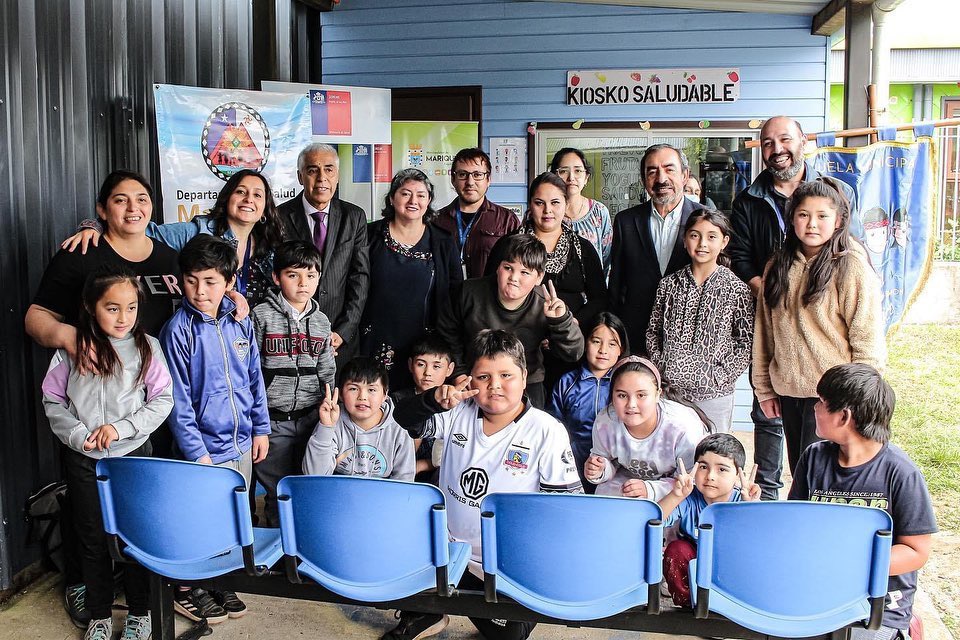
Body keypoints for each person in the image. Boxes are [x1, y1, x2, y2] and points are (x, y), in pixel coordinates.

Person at [25, 170, 182, 627]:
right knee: (89, 524)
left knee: (141, 520)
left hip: (147, 412)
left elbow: (207, 278)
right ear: (100, 209)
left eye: (142, 198)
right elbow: (36, 316)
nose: (133, 208)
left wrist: (231, 293)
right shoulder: (83, 253)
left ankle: (143, 604)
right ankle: (91, 599)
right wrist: (71, 339)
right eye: (120, 200)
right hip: (89, 424)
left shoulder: (169, 256)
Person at [387, 330, 582, 640]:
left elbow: (564, 509)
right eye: (484, 376)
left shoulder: (546, 431)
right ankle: (428, 611)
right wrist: (434, 399)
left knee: (511, 633)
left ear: (524, 375)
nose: (495, 385)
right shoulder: (455, 412)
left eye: (506, 375)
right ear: (469, 380)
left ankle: (468, 599)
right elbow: (403, 417)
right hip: (447, 548)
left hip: (503, 560)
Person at [728, 115, 857, 500]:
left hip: (829, 375)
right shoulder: (749, 200)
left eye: (785, 139)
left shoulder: (835, 193)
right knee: (775, 431)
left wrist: (860, 389)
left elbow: (864, 332)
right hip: (779, 341)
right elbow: (739, 255)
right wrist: (771, 290)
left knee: (826, 462)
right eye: (767, 142)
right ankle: (769, 497)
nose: (776, 148)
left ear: (803, 142)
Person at [42, 267, 174, 640]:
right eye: (112, 308)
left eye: (130, 308)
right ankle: (99, 613)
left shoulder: (147, 346)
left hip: (132, 456)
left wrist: (121, 428)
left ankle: (139, 611)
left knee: (134, 534)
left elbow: (163, 400)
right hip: (85, 459)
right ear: (90, 306)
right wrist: (80, 436)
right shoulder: (72, 348)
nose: (123, 318)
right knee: (91, 535)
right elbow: (53, 400)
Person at [159, 234, 270, 623]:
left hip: (241, 443)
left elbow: (255, 377)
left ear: (229, 282)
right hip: (203, 450)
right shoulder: (177, 331)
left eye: (210, 281)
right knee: (197, 519)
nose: (200, 290)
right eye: (191, 280)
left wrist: (261, 428)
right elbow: (177, 401)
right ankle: (189, 587)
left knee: (231, 515)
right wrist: (197, 454)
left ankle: (220, 580)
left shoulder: (240, 321)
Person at [789, 363, 936, 640]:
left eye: (821, 403)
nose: (814, 409)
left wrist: (848, 562)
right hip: (816, 596)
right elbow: (795, 523)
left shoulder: (902, 473)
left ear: (843, 417)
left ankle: (907, 630)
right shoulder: (813, 458)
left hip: (878, 608)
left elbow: (917, 551)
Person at [753, 178, 885, 476]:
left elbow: (868, 341)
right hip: (789, 393)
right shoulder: (777, 266)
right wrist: (765, 389)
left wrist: (854, 398)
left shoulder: (851, 266)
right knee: (801, 471)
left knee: (826, 478)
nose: (812, 224)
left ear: (838, 220)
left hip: (833, 397)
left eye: (822, 216)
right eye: (803, 215)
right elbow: (764, 334)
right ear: (792, 219)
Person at [62, 169, 284, 307]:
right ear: (227, 199)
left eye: (257, 195)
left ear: (265, 209)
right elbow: (137, 227)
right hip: (201, 337)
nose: (248, 199)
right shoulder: (196, 231)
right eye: (241, 192)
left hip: (254, 342)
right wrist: (93, 226)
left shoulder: (269, 247)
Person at [436, 234, 584, 409]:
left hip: (526, 382)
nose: (514, 278)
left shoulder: (546, 305)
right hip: (475, 379)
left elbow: (574, 353)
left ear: (539, 277)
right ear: (498, 267)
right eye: (508, 268)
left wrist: (560, 321)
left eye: (524, 272)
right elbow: (447, 334)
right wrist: (459, 372)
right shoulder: (468, 292)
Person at [251, 240, 336, 527]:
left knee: (307, 489)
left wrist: (327, 412)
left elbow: (327, 369)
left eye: (311, 275)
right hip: (273, 423)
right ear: (276, 277)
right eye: (293, 275)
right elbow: (249, 370)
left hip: (310, 419)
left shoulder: (322, 321)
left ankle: (303, 556)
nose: (303, 283)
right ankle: (279, 558)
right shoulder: (260, 316)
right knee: (278, 493)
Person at [646, 209, 754, 432]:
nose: (702, 243)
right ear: (685, 240)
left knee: (712, 454)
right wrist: (661, 365)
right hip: (670, 391)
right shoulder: (669, 285)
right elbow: (653, 331)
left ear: (724, 242)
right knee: (672, 455)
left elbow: (745, 342)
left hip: (714, 394)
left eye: (711, 236)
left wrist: (721, 376)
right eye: (695, 235)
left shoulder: (736, 288)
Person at [361, 169, 461, 389]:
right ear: (392, 198)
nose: (413, 201)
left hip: (424, 348)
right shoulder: (369, 236)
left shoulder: (443, 241)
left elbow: (455, 293)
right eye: (405, 194)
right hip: (375, 340)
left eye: (421, 195)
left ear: (429, 201)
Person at [609, 144, 705, 353]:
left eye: (669, 169)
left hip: (690, 341)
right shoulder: (626, 221)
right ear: (644, 180)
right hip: (636, 336)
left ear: (685, 175)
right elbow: (617, 284)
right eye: (652, 171)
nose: (661, 179)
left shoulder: (705, 220)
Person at [278, 143, 370, 362]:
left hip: (339, 337)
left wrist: (343, 331)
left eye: (329, 169)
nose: (321, 178)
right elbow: (275, 278)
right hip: (292, 336)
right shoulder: (279, 216)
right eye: (312, 170)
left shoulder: (354, 216)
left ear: (337, 176)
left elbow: (360, 277)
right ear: (300, 177)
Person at [485, 172, 607, 329]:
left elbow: (599, 299)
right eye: (539, 203)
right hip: (517, 338)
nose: (547, 210)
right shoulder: (508, 245)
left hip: (569, 338)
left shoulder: (583, 249)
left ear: (566, 204)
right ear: (530, 204)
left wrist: (571, 324)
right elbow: (488, 292)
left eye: (555, 202)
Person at [658, 433, 761, 608]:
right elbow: (655, 520)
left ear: (738, 475)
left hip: (730, 565)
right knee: (677, 549)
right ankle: (690, 608)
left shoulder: (742, 501)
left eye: (722, 469)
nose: (710, 476)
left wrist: (752, 507)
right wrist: (676, 496)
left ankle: (731, 609)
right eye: (703, 467)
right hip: (696, 564)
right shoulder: (689, 499)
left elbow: (762, 540)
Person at [585, 357, 706, 500]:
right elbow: (606, 461)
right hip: (627, 482)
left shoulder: (683, 426)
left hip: (673, 488)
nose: (631, 404)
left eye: (641, 395)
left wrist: (650, 489)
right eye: (622, 395)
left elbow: (691, 478)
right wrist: (600, 469)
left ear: (657, 395)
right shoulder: (605, 422)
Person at [548, 311, 629, 491]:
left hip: (615, 464)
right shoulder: (567, 382)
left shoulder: (626, 383)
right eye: (596, 341)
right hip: (572, 461)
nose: (603, 350)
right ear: (585, 343)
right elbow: (554, 425)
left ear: (621, 349)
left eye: (612, 344)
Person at [302, 358, 414, 480]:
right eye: (353, 389)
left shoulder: (399, 426)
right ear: (340, 394)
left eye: (371, 390)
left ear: (385, 395)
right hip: (338, 493)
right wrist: (326, 427)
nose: (362, 397)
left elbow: (404, 480)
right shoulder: (333, 420)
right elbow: (314, 476)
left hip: (382, 495)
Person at [434, 148, 521, 279]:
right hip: (446, 297)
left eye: (477, 174)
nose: (470, 182)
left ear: (488, 179)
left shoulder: (507, 220)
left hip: (489, 298)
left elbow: (518, 265)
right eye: (463, 174)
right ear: (453, 179)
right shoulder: (436, 221)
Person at [390, 334, 457, 483]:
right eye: (421, 364)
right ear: (410, 365)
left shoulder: (453, 403)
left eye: (436, 366)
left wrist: (422, 465)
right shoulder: (397, 400)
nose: (428, 372)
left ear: (449, 369)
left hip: (437, 475)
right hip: (396, 470)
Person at [549, 147, 613, 272]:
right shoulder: (543, 212)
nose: (571, 177)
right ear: (554, 176)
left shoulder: (599, 212)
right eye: (563, 171)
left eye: (578, 171)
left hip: (592, 288)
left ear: (586, 178)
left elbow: (607, 260)